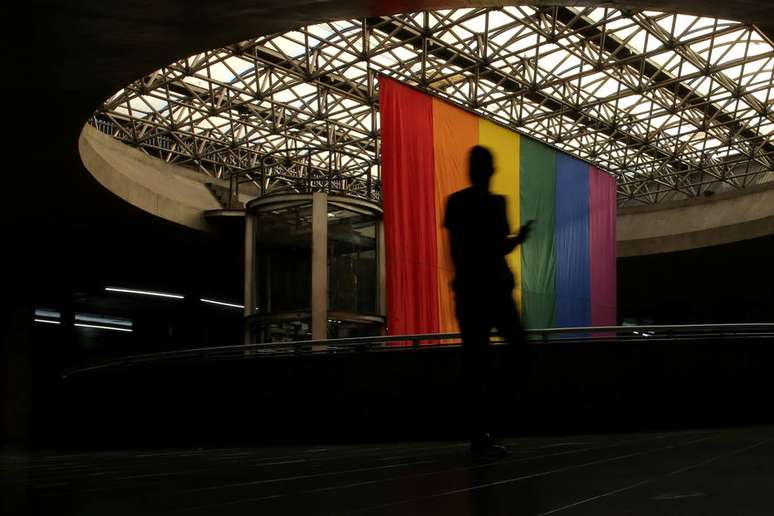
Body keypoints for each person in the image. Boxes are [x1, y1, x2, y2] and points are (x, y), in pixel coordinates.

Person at [444, 145, 533, 456]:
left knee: (475, 363)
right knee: (519, 351)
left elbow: (458, 249)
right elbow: (497, 248)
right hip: (496, 289)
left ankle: (480, 433)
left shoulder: (456, 202)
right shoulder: (497, 204)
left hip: (470, 291)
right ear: (491, 170)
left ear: (470, 169)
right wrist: (518, 239)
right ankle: (488, 424)